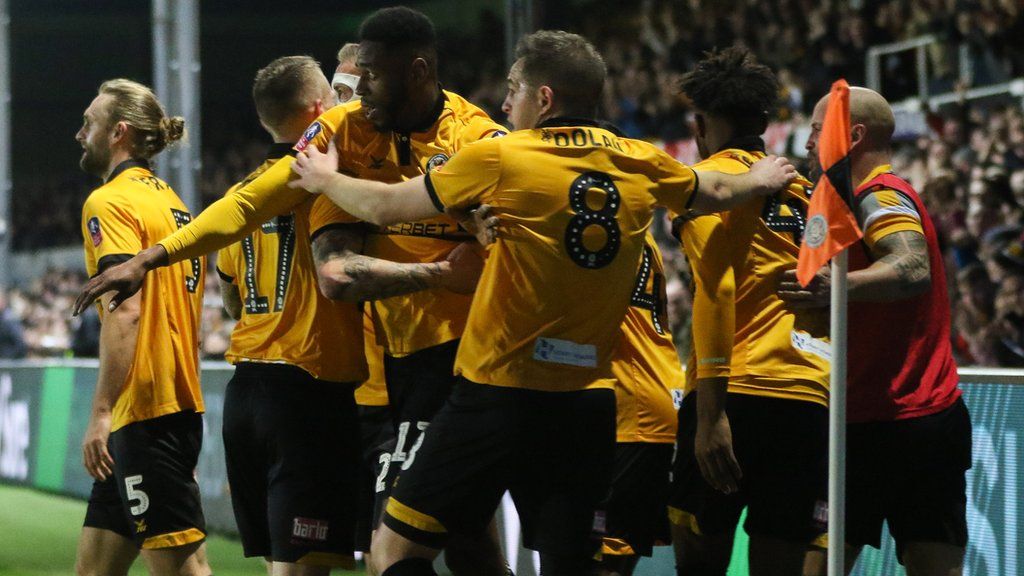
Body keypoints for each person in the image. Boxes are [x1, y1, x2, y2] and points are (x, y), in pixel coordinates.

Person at [287, 30, 796, 576]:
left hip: (497, 390)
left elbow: (387, 207)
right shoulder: (642, 161)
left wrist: (325, 177)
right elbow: (715, 190)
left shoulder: (503, 154)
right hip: (587, 402)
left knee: (394, 549)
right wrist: (762, 174)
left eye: (514, 90)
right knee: (568, 564)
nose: (505, 104)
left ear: (545, 99)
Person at [73, 8, 509, 576]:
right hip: (384, 370)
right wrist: (153, 257)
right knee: (454, 545)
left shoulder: (476, 137)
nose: (357, 91)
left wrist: (489, 221)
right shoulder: (342, 132)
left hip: (464, 358)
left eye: (370, 75)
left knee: (404, 551)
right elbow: (251, 208)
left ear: (419, 71)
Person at [779, 86, 970, 576]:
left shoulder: (881, 195)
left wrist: (832, 289)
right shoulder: (844, 204)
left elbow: (910, 266)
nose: (807, 145)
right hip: (860, 418)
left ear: (853, 135)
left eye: (818, 132)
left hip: (913, 422)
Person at [666, 47, 830, 576]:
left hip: (735, 391)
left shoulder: (707, 183)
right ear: (764, 122)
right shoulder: (807, 196)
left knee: (696, 561)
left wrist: (710, 416)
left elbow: (717, 289)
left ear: (700, 125)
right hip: (808, 395)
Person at [215, 55, 365, 575]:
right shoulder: (326, 181)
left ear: (264, 119)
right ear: (321, 107)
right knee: (302, 568)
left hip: (245, 393)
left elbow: (231, 295)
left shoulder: (241, 195)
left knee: (284, 562)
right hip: (306, 388)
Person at [73, 79, 211, 576]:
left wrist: (102, 412)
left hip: (145, 412)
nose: (79, 133)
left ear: (118, 133)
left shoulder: (109, 202)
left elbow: (125, 309)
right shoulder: (173, 204)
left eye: (89, 123)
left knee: (183, 569)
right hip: (169, 404)